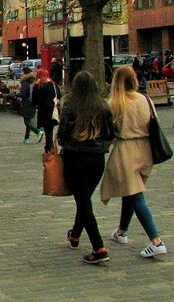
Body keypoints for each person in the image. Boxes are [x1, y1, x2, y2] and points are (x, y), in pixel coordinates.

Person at [100, 65, 167, 259]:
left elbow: (109, 132)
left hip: (126, 149)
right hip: (146, 149)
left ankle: (156, 240)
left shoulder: (115, 102)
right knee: (130, 191)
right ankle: (121, 231)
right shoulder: (145, 99)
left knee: (135, 194)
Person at [58, 71, 115, 264]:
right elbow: (110, 134)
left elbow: (63, 133)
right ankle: (75, 235)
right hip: (97, 159)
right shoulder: (102, 105)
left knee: (83, 202)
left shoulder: (70, 105)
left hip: (76, 157)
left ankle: (99, 248)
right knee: (84, 200)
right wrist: (101, 147)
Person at [32, 68, 60, 154]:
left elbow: (34, 101)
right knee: (49, 129)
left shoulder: (37, 86)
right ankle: (49, 146)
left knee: (47, 129)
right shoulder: (52, 84)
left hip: (42, 110)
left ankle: (48, 147)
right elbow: (59, 96)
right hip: (51, 109)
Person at [18, 67, 43, 144]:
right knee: (28, 120)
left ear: (25, 73)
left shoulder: (25, 82)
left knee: (26, 121)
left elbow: (23, 94)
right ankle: (26, 138)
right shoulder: (33, 81)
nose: (21, 73)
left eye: (22, 72)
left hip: (26, 103)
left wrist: (16, 94)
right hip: (33, 103)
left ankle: (37, 132)